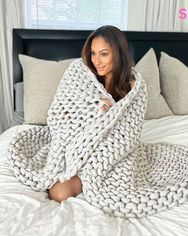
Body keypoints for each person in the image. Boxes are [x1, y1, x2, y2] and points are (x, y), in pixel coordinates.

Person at [48, 25, 136, 202]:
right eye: (93, 53)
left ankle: (91, 177)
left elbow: (129, 133)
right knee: (57, 192)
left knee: (62, 192)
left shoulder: (134, 86)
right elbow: (58, 116)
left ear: (118, 54)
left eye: (104, 54)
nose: (97, 61)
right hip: (76, 144)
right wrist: (91, 110)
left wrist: (113, 112)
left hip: (109, 150)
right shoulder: (80, 75)